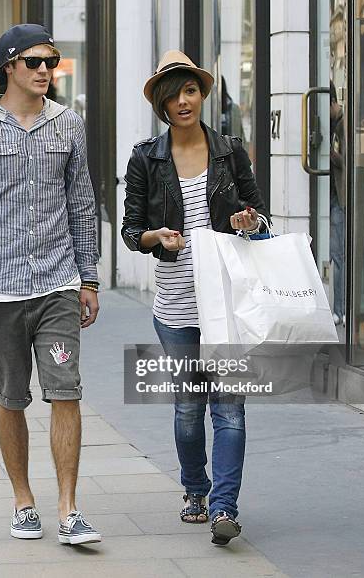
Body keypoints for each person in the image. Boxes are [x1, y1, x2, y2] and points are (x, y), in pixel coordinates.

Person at [0, 24, 101, 545]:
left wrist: (89, 278)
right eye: (33, 62)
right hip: (0, 291)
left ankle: (69, 509)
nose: (44, 71)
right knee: (11, 398)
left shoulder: (69, 125)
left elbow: (81, 204)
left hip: (58, 282)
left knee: (66, 393)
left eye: (50, 62)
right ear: (8, 66)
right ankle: (23, 501)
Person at [122, 51, 270, 546]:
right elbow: (129, 229)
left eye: (189, 91)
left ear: (201, 94)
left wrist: (249, 223)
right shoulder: (147, 157)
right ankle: (196, 490)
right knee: (189, 408)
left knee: (229, 408)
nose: (182, 101)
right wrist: (153, 238)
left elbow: (258, 214)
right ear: (161, 103)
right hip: (177, 306)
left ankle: (225, 508)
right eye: (172, 94)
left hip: (226, 303)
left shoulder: (230, 151)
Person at [330, 81, 345, 326]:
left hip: (340, 196)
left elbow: (350, 163)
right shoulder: (332, 122)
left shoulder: (344, 123)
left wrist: (329, 155)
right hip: (330, 194)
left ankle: (340, 310)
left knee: (338, 253)